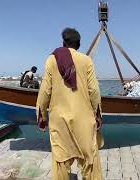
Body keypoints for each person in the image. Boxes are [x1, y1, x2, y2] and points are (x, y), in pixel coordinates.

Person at [36, 28, 103, 179]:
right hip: (84, 119)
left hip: (59, 120)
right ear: (79, 44)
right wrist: (98, 114)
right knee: (89, 162)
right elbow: (94, 91)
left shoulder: (52, 60)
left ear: (63, 43)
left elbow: (45, 90)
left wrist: (42, 116)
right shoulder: (86, 60)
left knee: (61, 162)